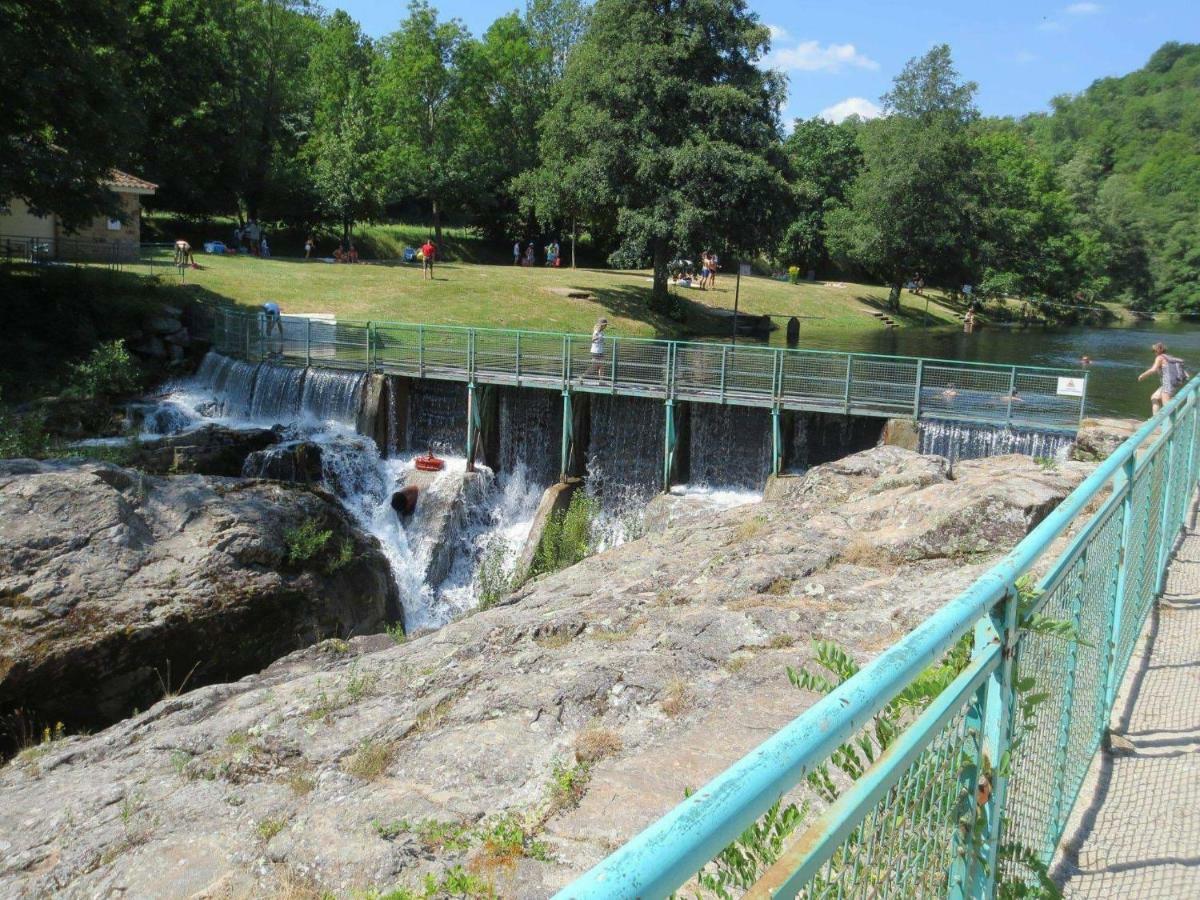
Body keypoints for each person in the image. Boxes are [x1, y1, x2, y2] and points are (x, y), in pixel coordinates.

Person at [1138, 342, 1190, 415]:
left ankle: (1173, 423)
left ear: (1159, 350)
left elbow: (1153, 369)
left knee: (1167, 407)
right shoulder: (1169, 357)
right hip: (1174, 383)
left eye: (1154, 351)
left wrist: (1142, 376)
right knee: (1154, 397)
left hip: (1167, 384)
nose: (1154, 353)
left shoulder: (1159, 358)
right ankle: (1155, 419)